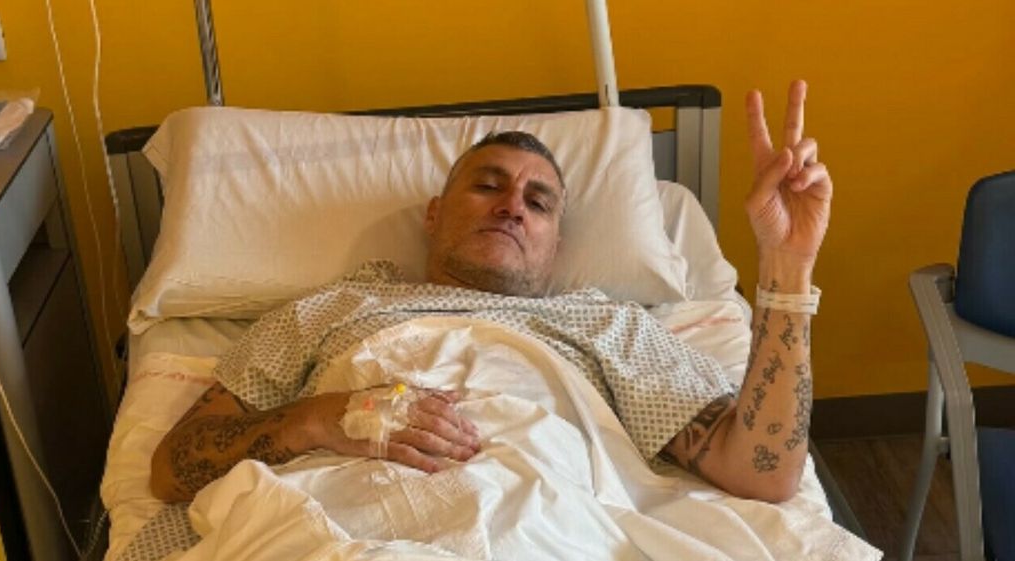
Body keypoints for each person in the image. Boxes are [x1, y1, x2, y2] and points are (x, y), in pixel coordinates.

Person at [150, 80, 832, 506]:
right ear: (433, 213)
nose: (512, 206)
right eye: (487, 185)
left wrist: (787, 266)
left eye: (539, 202)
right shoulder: (330, 309)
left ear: (556, 244)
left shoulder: (607, 325)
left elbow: (761, 471)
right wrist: (318, 419)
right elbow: (173, 470)